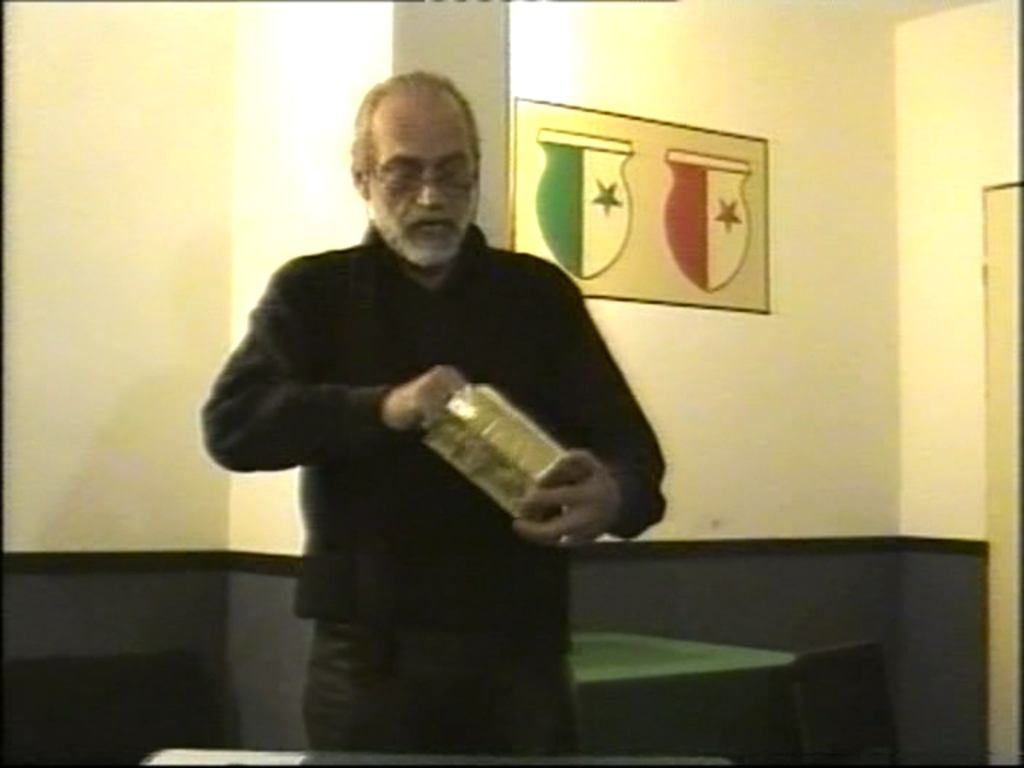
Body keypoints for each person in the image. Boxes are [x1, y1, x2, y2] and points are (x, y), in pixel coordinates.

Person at [201, 70, 666, 757]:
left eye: (452, 172)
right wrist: (381, 408)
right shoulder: (313, 293)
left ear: (477, 171)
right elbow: (233, 427)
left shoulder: (539, 297)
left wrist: (614, 496)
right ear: (361, 178)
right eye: (403, 173)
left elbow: (635, 456)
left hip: (519, 651)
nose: (430, 196)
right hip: (368, 657)